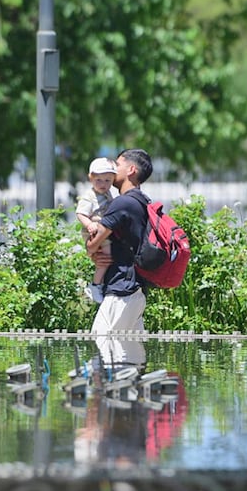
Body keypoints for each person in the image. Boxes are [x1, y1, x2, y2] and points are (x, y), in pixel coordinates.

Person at [85, 148, 153, 368]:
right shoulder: (143, 201)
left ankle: (111, 399)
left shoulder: (122, 203)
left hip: (122, 291)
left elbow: (93, 244)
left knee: (102, 344)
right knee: (129, 360)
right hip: (135, 289)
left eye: (118, 163)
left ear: (131, 170)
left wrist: (92, 249)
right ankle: (129, 402)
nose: (113, 168)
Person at [75, 157, 117, 303]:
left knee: (106, 257)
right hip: (94, 232)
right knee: (105, 258)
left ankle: (99, 283)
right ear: (91, 178)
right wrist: (88, 224)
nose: (103, 184)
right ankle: (96, 285)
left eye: (107, 180)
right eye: (99, 180)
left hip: (103, 230)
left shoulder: (107, 194)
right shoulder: (89, 196)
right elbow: (80, 213)